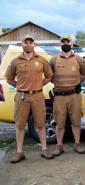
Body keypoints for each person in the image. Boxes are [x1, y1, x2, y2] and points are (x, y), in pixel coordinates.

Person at [5, 35, 54, 163]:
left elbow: (49, 76)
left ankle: (44, 149)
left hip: (38, 96)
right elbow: (9, 79)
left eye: (30, 42)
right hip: (21, 96)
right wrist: (20, 86)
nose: (28, 44)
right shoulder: (15, 61)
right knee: (20, 125)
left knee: (41, 123)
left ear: (34, 44)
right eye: (25, 42)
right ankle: (19, 152)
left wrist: (39, 85)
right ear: (22, 44)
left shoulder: (42, 60)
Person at [49, 35, 85, 156]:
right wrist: (59, 84)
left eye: (68, 41)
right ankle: (59, 146)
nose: (66, 44)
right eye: (63, 42)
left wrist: (76, 84)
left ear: (72, 43)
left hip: (74, 96)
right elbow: (49, 76)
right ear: (60, 44)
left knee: (76, 122)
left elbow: (84, 74)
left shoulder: (79, 59)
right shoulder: (54, 60)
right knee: (59, 123)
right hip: (59, 96)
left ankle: (77, 144)